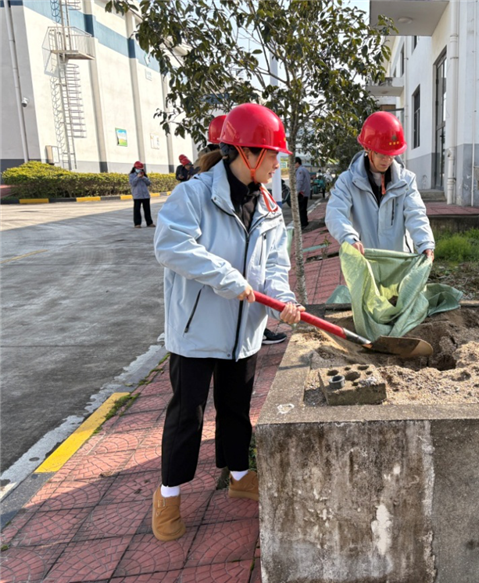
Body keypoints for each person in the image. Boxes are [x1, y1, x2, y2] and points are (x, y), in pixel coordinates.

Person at [151, 103, 304, 541]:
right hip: (198, 332)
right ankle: (169, 495)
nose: (278, 163)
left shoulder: (271, 207)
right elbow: (170, 246)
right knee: (188, 415)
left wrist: (283, 302)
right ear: (247, 153)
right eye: (273, 154)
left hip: (244, 332)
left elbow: (275, 269)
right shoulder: (194, 195)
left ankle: (239, 477)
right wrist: (226, 277)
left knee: (236, 407)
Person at [325, 112, 435, 260]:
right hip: (365, 260)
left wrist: (425, 244)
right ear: (367, 150)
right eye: (381, 154)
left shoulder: (406, 181)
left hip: (398, 262)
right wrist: (349, 238)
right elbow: (335, 213)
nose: (387, 160)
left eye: (391, 155)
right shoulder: (348, 181)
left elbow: (416, 214)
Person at [129, 161, 154, 228]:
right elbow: (132, 183)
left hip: (145, 195)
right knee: (137, 210)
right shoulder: (132, 175)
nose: (139, 170)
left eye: (141, 169)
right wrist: (137, 177)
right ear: (135, 168)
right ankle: (137, 223)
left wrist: (143, 177)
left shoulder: (144, 175)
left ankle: (149, 223)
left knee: (147, 210)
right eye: (138, 168)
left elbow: (149, 183)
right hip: (137, 195)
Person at [295, 157, 311, 229]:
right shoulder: (305, 169)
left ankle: (303, 224)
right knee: (303, 208)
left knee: (301, 209)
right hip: (306, 192)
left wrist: (297, 192)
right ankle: (305, 222)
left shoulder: (300, 170)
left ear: (297, 163)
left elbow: (299, 182)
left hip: (302, 192)